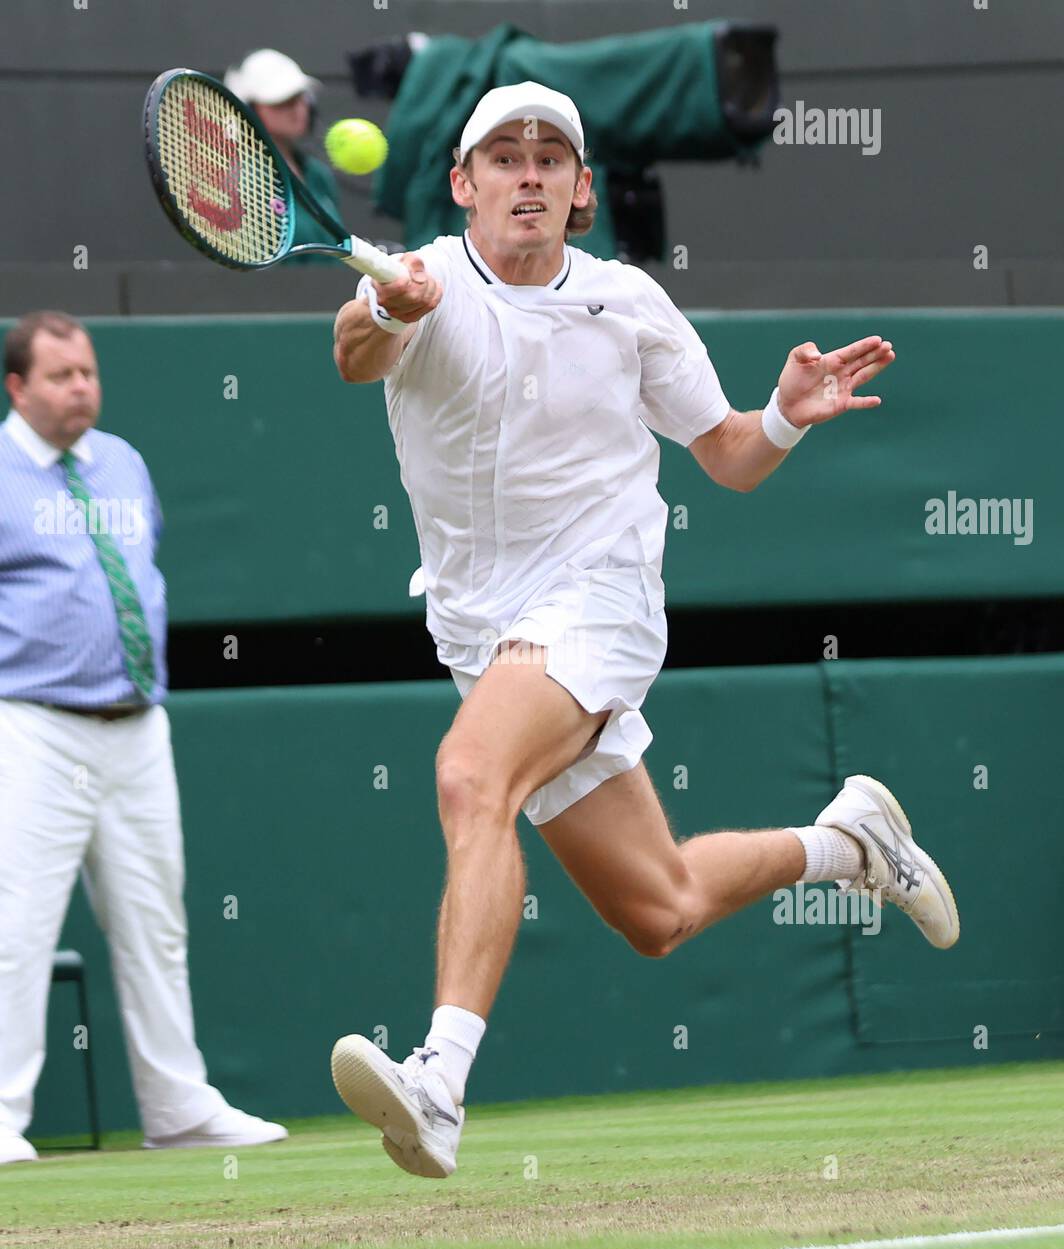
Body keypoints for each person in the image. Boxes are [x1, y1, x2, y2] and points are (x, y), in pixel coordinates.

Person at [329, 82, 959, 1180]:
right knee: (656, 907)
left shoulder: (626, 302)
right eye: (504, 156)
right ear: (462, 184)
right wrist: (388, 309)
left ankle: (437, 1080)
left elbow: (722, 453)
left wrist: (781, 418)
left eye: (550, 158)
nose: (527, 173)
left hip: (599, 602)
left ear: (579, 191)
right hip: (483, 631)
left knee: (473, 777)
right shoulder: (421, 283)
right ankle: (851, 843)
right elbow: (354, 351)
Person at [0, 311, 288, 1165]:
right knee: (19, 925)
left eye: (88, 371)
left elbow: (141, 561)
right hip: (33, 726)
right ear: (17, 388)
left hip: (137, 726)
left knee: (156, 922)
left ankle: (177, 1106)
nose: (81, 386)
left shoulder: (122, 461)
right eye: (60, 376)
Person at [224, 49, 343, 253]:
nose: (298, 108)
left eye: (300, 97)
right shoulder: (244, 183)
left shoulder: (318, 175)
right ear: (249, 111)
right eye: (282, 101)